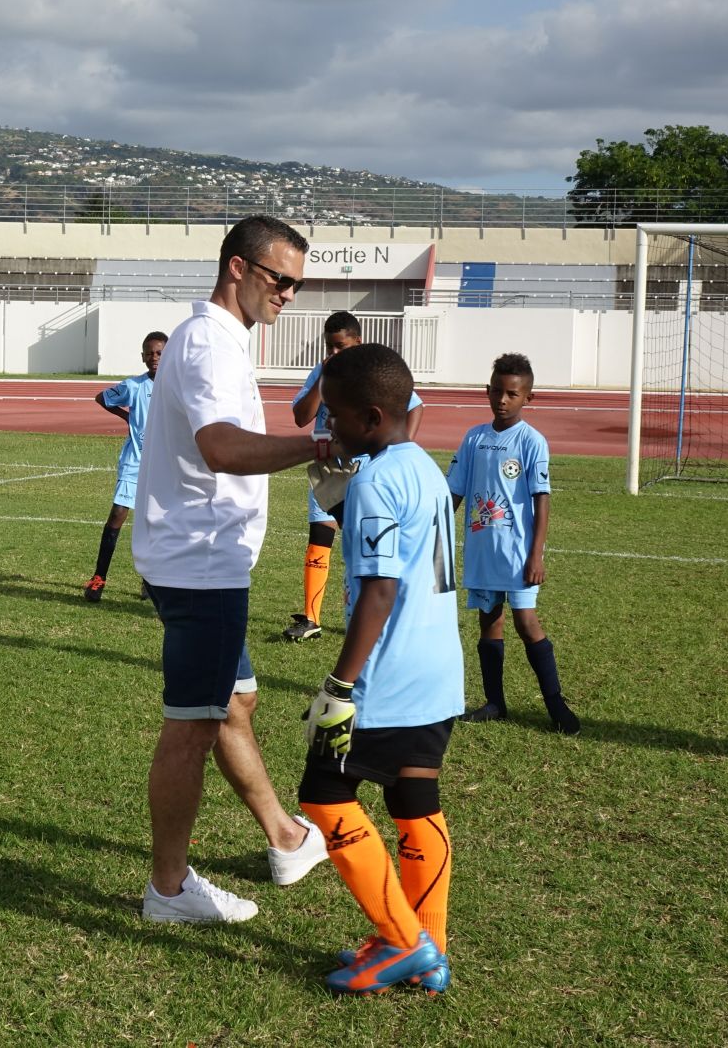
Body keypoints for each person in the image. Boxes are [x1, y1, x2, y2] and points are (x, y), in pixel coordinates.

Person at [133, 215, 332, 924]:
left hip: (199, 559)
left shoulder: (216, 340)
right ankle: (168, 888)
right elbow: (220, 447)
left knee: (235, 702)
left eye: (297, 284)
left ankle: (284, 836)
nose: (290, 294)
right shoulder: (210, 345)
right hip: (200, 565)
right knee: (193, 722)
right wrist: (314, 448)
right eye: (282, 279)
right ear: (240, 268)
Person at [295, 342, 461, 996]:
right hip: (438, 672)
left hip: (385, 681)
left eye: (333, 415)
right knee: (414, 799)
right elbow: (433, 569)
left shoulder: (375, 479)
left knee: (323, 794)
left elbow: (380, 591)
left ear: (369, 417)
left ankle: (402, 941)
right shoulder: (422, 467)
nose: (326, 426)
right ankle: (432, 947)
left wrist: (339, 684)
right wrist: (341, 502)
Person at [447, 353, 580, 734]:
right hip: (482, 550)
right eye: (496, 391)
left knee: (526, 622)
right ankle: (494, 702)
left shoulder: (532, 441)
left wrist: (536, 555)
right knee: (489, 623)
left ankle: (556, 705)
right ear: (487, 391)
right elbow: (453, 493)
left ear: (528, 398)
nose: (502, 400)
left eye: (511, 394)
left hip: (518, 553)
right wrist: (432, 529)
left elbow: (542, 498)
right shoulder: (474, 437)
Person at [284, 311, 424, 641]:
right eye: (329, 347)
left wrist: (399, 449)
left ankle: (371, 615)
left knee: (367, 544)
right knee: (320, 537)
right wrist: (323, 380)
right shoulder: (321, 371)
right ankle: (311, 618)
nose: (334, 354)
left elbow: (415, 406)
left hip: (366, 470)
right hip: (329, 468)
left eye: (340, 347)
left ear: (357, 343)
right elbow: (300, 417)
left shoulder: (373, 372)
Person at [83, 331, 166, 603]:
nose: (154, 358)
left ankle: (150, 580)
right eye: (149, 353)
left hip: (162, 465)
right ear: (142, 357)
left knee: (155, 522)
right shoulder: (134, 386)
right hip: (134, 462)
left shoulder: (177, 387)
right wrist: (127, 417)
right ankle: (99, 578)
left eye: (159, 353)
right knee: (118, 514)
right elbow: (101, 397)